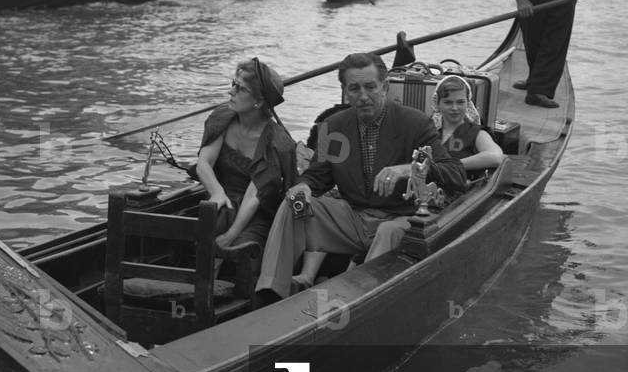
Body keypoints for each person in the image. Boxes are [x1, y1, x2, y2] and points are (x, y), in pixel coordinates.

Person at [254, 53, 466, 301]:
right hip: (355, 220)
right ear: (344, 91)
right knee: (293, 204)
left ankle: (361, 302)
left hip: (403, 219)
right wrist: (303, 187)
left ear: (384, 87)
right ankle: (270, 294)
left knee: (387, 230)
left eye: (370, 87)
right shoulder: (332, 126)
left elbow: (456, 175)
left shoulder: (416, 123)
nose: (363, 96)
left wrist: (410, 168)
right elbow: (317, 176)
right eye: (354, 88)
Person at [194, 58, 297, 265]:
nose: (231, 92)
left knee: (243, 249)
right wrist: (217, 192)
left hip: (257, 213)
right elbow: (203, 163)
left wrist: (230, 236)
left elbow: (253, 195)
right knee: (206, 231)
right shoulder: (223, 117)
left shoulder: (276, 143)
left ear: (258, 101)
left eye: (240, 88)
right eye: (233, 83)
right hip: (223, 201)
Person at [432, 75, 504, 174]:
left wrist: (453, 166)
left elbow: (496, 157)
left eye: (460, 102)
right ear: (438, 104)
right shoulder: (429, 130)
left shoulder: (476, 133)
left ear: (468, 104)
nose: (454, 108)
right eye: (448, 102)